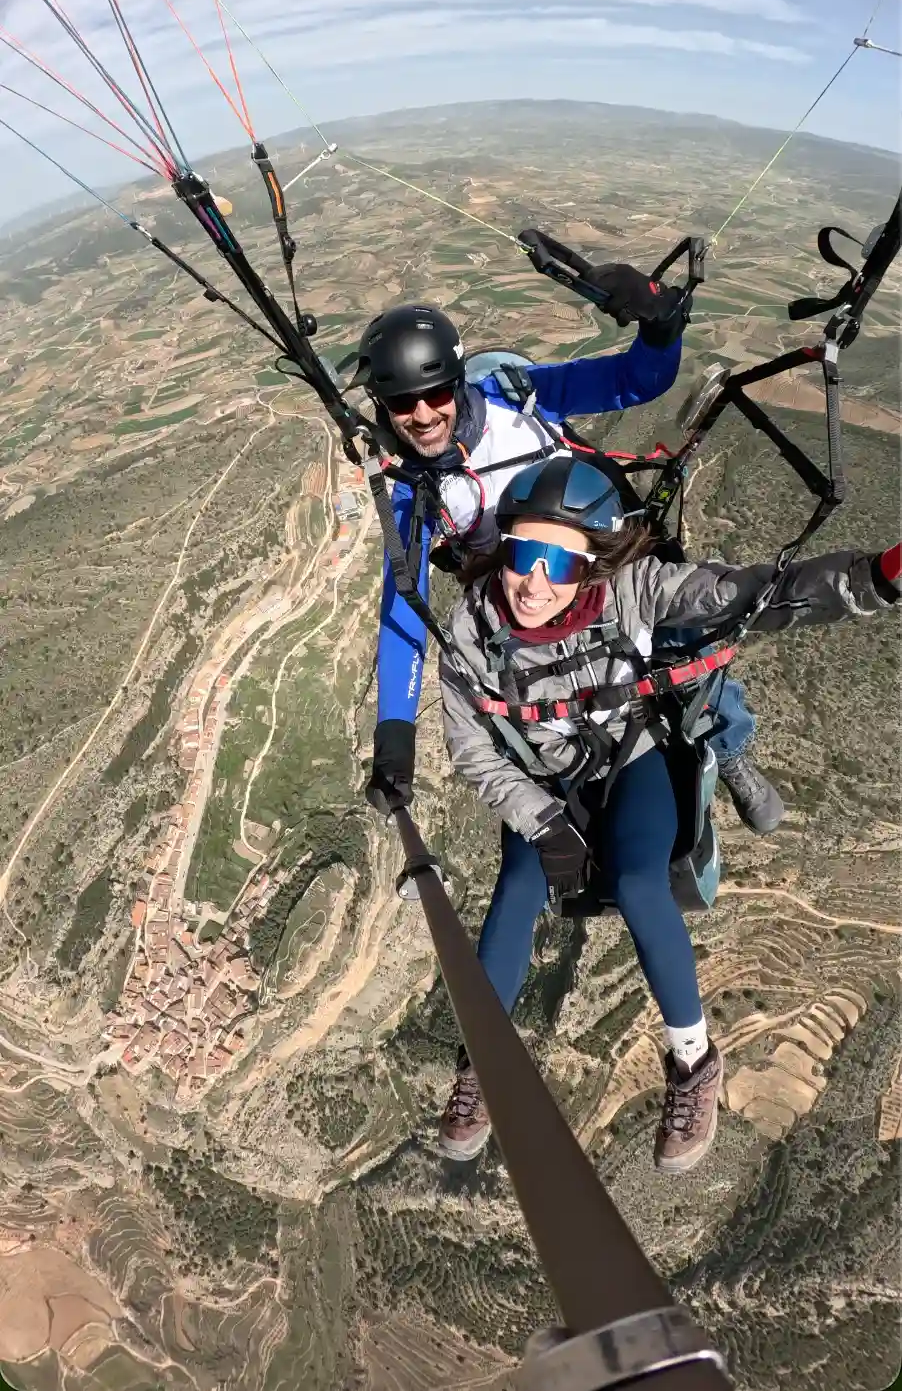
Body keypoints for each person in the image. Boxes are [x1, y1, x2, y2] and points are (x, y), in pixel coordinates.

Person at [435, 454, 901, 1171]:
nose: (533, 581)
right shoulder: (469, 629)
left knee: (641, 883)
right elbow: (473, 751)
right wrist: (542, 820)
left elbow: (753, 595)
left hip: (629, 759)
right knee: (517, 889)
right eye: (523, 553)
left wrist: (876, 578)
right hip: (542, 780)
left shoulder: (635, 592)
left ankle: (694, 1062)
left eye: (560, 564)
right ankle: (485, 1066)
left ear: (590, 568)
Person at [352, 264, 782, 834]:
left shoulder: (522, 397)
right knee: (551, 692)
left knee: (682, 636)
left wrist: (660, 329)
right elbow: (405, 600)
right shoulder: (412, 489)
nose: (424, 414)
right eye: (404, 403)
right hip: (525, 592)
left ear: (458, 383)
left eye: (435, 393)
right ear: (384, 408)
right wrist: (395, 736)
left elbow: (634, 381)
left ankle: (728, 746)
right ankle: (592, 784)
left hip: (600, 558)